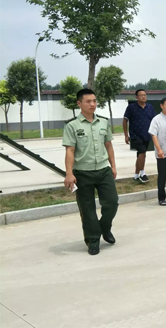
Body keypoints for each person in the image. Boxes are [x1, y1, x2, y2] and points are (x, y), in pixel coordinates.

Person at [62, 89, 119, 256]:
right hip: (82, 173)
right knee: (87, 209)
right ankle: (93, 240)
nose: (92, 104)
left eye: (94, 101)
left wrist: (113, 166)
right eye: (88, 101)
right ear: (79, 103)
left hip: (103, 170)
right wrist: (69, 173)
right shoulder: (72, 125)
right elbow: (70, 150)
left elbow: (108, 145)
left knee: (112, 202)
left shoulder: (103, 122)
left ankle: (104, 228)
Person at [123, 89, 156, 183]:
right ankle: (142, 173)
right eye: (141, 95)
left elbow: (154, 120)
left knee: (141, 155)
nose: (143, 97)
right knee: (142, 152)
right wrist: (126, 135)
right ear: (136, 97)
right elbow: (125, 120)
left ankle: (136, 175)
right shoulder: (131, 107)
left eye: (145, 95)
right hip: (135, 135)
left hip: (147, 134)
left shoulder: (150, 107)